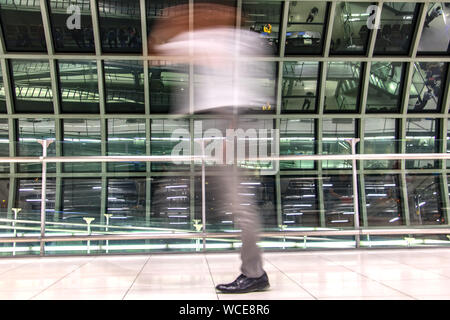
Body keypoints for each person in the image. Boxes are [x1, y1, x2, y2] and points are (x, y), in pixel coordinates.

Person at [148, 2, 273, 294]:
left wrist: (165, 27)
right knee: (236, 199)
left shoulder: (214, 39)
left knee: (239, 203)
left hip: (228, 123)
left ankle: (254, 273)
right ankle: (252, 270)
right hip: (235, 121)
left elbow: (158, 55)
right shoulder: (247, 40)